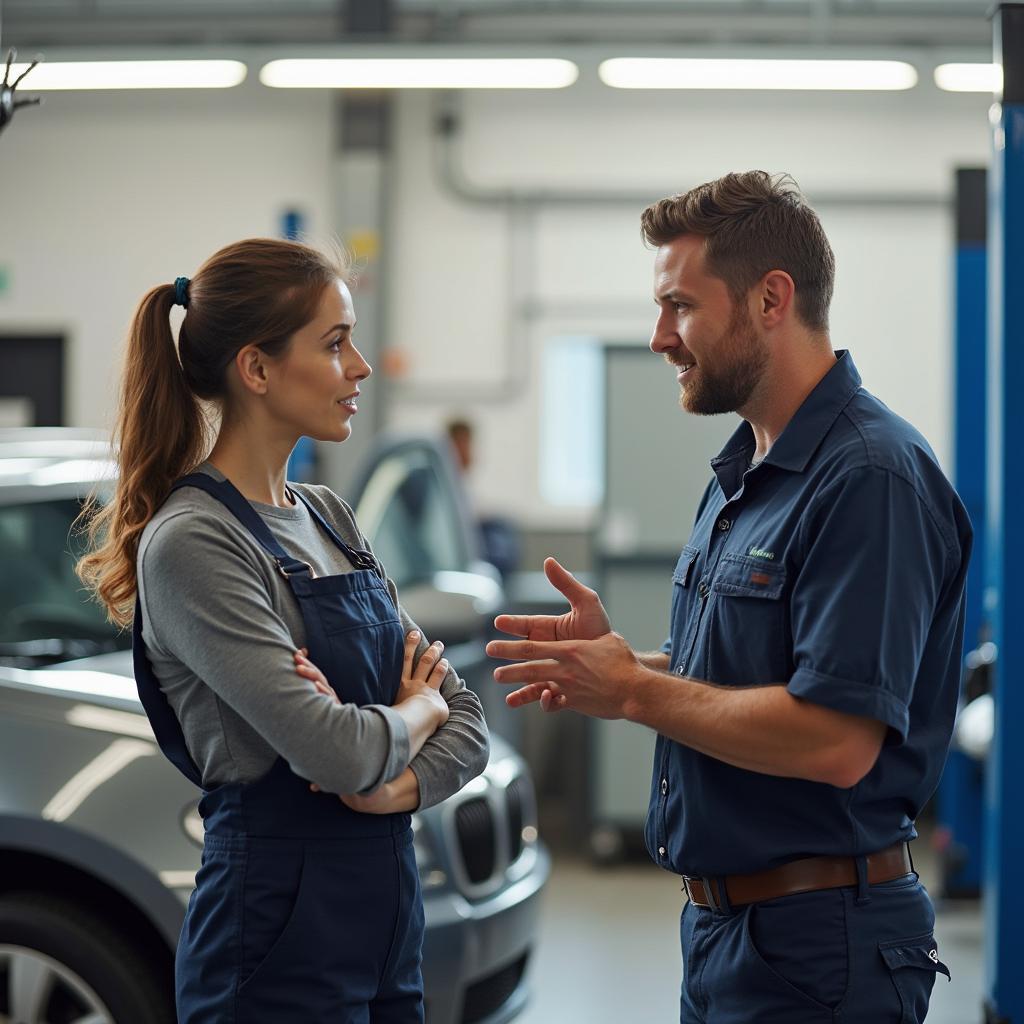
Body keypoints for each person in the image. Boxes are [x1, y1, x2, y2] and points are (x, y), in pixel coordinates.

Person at [487, 171, 970, 1023]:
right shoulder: (749, 471)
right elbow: (754, 671)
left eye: (680, 307)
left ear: (771, 299)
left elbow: (835, 739)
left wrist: (637, 691)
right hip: (728, 935)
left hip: (822, 948)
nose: (659, 337)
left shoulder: (868, 477)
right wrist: (620, 665)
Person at [77, 238, 489, 1023]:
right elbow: (336, 751)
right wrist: (417, 713)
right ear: (257, 369)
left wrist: (399, 781)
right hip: (275, 927)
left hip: (389, 916)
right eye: (335, 344)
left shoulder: (327, 516)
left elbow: (468, 721)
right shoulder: (195, 541)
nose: (360, 366)